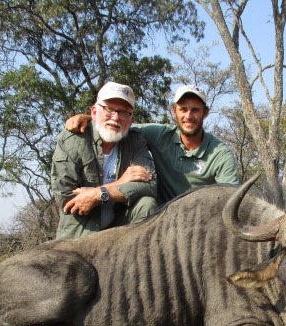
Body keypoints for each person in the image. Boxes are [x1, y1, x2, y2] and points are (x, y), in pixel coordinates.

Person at [65, 85, 239, 203]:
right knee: (146, 204)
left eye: (195, 110)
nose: (188, 116)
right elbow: (121, 125)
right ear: (174, 111)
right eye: (183, 109)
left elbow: (232, 199)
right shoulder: (158, 134)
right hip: (162, 220)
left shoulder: (220, 153)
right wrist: (90, 118)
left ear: (205, 113)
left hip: (201, 220)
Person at [51, 81, 157, 239]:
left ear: (131, 119)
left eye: (124, 112)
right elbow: (65, 196)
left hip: (120, 228)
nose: (115, 117)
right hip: (81, 235)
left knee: (146, 204)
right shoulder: (72, 139)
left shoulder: (136, 141)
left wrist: (98, 194)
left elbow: (150, 185)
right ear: (94, 112)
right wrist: (120, 182)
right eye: (109, 109)